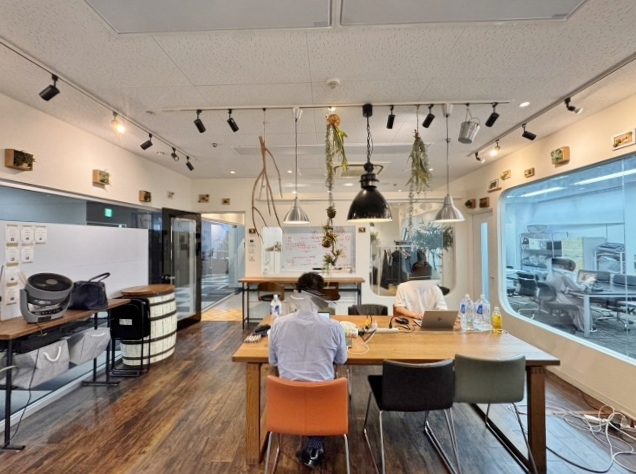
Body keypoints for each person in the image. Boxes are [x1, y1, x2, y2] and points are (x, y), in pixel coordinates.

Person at [268, 272, 347, 469]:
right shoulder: (334, 327)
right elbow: (341, 360)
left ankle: (314, 444)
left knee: (308, 393)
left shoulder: (278, 324)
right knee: (321, 390)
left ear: (296, 293)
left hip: (287, 399)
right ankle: (315, 444)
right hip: (324, 399)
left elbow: (273, 361)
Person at [544, 258, 588, 332]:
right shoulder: (563, 275)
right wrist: (586, 284)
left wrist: (566, 289)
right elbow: (579, 288)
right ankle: (585, 327)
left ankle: (576, 323)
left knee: (575, 301)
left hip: (550, 298)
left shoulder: (551, 274)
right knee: (583, 302)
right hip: (558, 299)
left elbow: (555, 286)